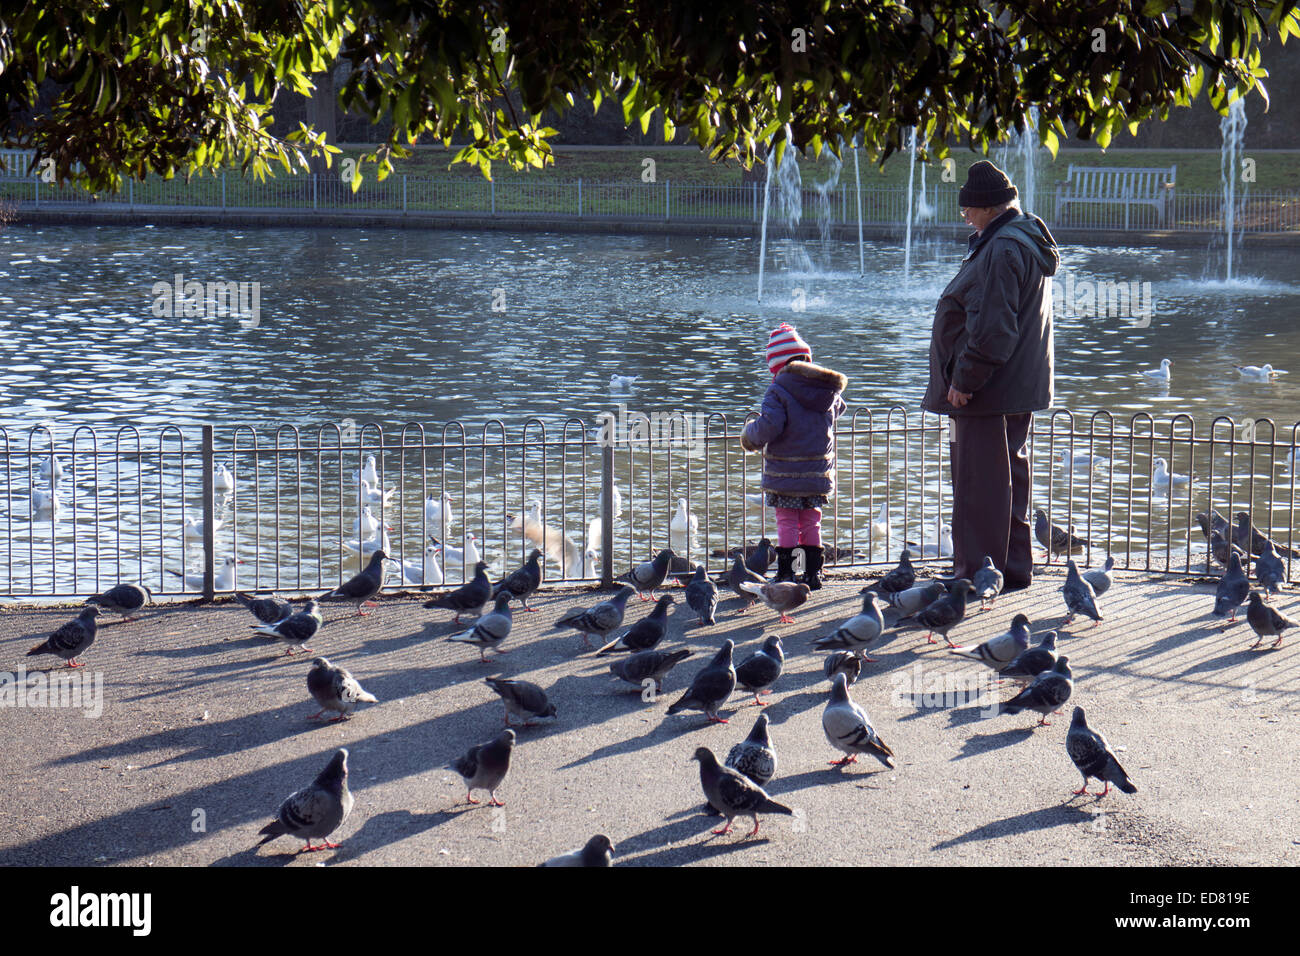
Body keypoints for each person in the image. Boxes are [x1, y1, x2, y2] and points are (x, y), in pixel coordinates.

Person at [921, 160, 1059, 592]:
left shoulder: (1002, 248)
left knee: (979, 488)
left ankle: (974, 577)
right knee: (1008, 483)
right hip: (1013, 388)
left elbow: (993, 328)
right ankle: (1012, 570)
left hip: (987, 393)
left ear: (989, 207)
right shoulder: (1019, 237)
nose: (963, 213)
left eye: (969, 206)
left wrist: (963, 381)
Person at [740, 323, 847, 590]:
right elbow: (840, 408)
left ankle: (786, 574)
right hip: (817, 473)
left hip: (785, 473)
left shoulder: (778, 390)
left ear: (776, 366)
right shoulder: (826, 389)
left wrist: (749, 436)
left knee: (787, 521)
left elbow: (770, 425)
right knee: (812, 521)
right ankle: (813, 575)